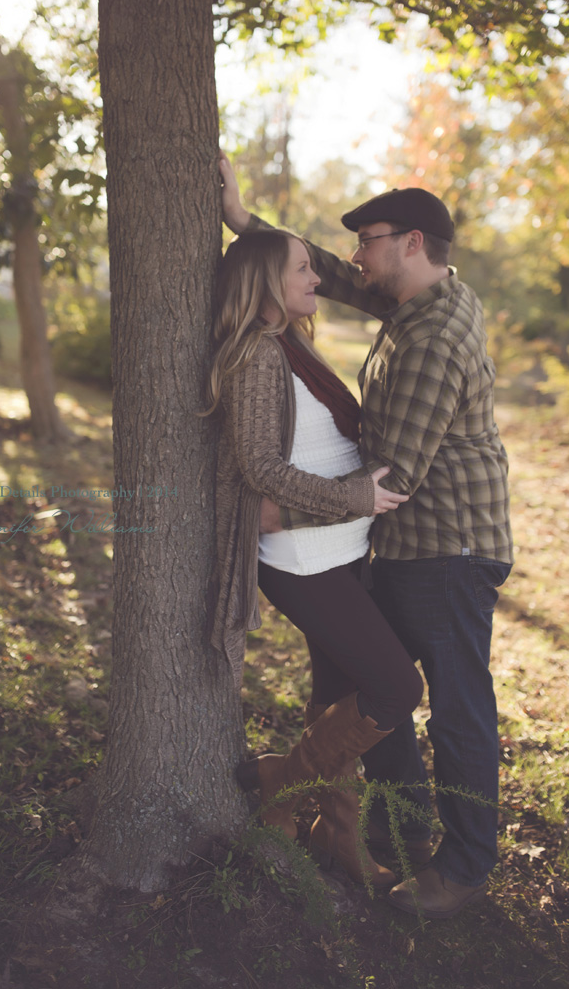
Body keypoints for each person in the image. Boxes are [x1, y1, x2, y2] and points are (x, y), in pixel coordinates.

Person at [219, 153, 513, 920]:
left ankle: (463, 866)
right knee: (368, 692)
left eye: (368, 241)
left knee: (452, 708)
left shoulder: (430, 338)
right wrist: (246, 224)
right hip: (398, 544)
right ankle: (394, 833)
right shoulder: (420, 299)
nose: (351, 259)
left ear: (412, 242)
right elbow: (324, 278)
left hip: (444, 546)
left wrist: (282, 514)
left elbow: (392, 480)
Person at [207, 227, 423, 887]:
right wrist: (356, 494)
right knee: (395, 687)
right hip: (302, 559)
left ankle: (337, 833)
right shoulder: (254, 356)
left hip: (341, 549)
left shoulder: (294, 347)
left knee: (339, 695)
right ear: (269, 282)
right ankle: (282, 781)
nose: (316, 278)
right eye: (303, 269)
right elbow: (262, 468)